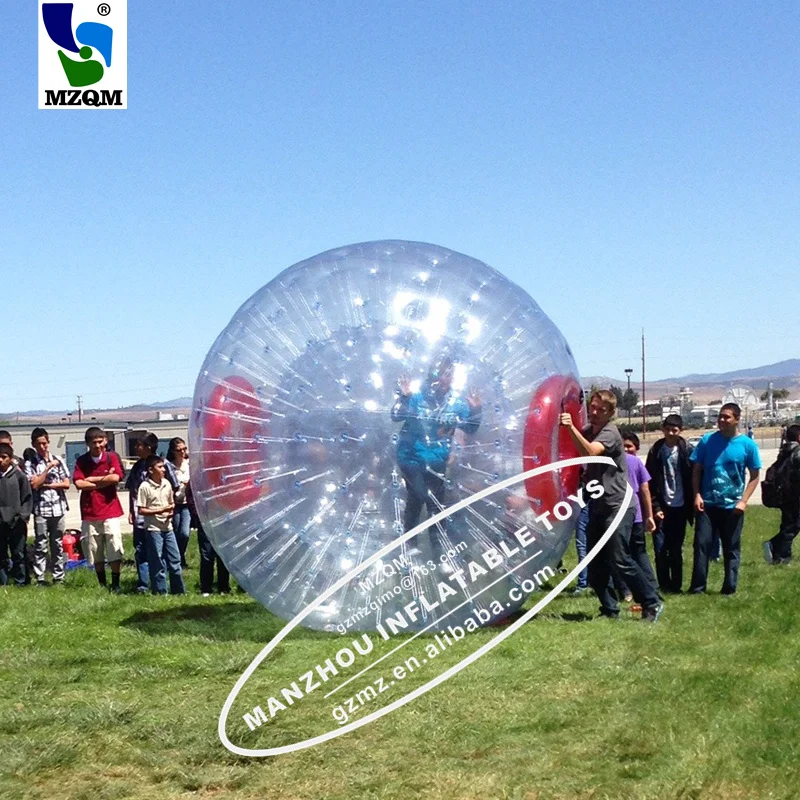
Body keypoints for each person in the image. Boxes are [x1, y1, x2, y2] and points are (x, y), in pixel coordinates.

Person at [560, 390, 663, 622]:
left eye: (600, 410)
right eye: (592, 407)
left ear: (611, 413)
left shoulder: (610, 433)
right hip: (598, 505)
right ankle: (609, 608)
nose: (594, 413)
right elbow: (570, 447)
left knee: (620, 559)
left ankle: (651, 602)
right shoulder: (589, 431)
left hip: (619, 505)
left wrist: (570, 428)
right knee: (595, 564)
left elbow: (589, 451)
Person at [391, 356, 481, 539]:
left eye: (449, 375)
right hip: (411, 458)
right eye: (441, 374)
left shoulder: (455, 403)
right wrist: (405, 396)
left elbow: (470, 428)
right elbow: (395, 415)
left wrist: (476, 410)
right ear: (432, 376)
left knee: (432, 505)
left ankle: (436, 549)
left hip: (438, 460)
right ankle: (410, 545)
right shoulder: (416, 396)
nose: (444, 379)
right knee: (420, 495)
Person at [688, 403, 761, 595]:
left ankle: (729, 588)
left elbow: (754, 476)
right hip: (707, 505)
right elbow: (696, 470)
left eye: (726, 417)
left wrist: (743, 501)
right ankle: (697, 588)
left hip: (732, 507)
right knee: (702, 545)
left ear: (737, 419)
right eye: (720, 416)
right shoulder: (707, 441)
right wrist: (697, 494)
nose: (721, 420)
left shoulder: (747, 445)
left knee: (731, 548)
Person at [644, 414, 695, 593]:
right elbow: (649, 481)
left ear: (681, 430)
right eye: (668, 429)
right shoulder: (656, 450)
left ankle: (676, 585)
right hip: (662, 506)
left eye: (675, 430)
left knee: (675, 548)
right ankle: (663, 584)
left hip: (680, 506)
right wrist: (655, 506)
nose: (671, 433)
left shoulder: (687, 450)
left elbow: (694, 477)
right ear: (662, 429)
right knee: (659, 548)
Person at [72, 426, 126, 593]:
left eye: (100, 441)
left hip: (110, 510)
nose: (97, 445)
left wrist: (93, 479)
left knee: (114, 546)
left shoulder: (112, 458)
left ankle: (116, 583)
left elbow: (116, 477)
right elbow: (79, 483)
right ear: (87, 444)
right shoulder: (82, 461)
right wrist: (105, 480)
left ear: (105, 441)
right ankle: (103, 584)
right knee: (95, 549)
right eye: (94, 442)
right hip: (90, 512)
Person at [24, 427, 70, 586]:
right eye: (39, 444)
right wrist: (49, 468)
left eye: (45, 443)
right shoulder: (31, 463)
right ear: (34, 445)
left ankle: (59, 576)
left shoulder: (58, 459)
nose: (43, 447)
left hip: (58, 508)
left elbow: (66, 483)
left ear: (49, 442)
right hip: (41, 509)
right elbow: (34, 484)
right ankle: (40, 578)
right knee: (41, 544)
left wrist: (50, 485)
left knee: (57, 544)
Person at [137, 454, 184, 595]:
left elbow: (171, 503)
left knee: (175, 559)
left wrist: (170, 511)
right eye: (160, 467)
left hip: (168, 527)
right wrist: (161, 510)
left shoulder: (167, 484)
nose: (164, 469)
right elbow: (141, 509)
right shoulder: (145, 487)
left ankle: (179, 591)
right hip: (153, 529)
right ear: (151, 470)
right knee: (157, 560)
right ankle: (160, 591)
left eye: (163, 466)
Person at [622, 433, 659, 596]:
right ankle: (651, 586)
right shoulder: (635, 461)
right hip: (635, 513)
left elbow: (645, 489)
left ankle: (627, 589)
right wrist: (648, 515)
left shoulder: (610, 461)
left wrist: (649, 515)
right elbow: (645, 490)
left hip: (620, 515)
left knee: (622, 553)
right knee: (638, 552)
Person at [125, 432, 160, 593]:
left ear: (149, 447)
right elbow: (132, 490)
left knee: (158, 551)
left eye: (139, 445)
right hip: (140, 518)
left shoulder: (162, 465)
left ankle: (159, 583)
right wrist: (131, 511)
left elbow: (171, 487)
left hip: (158, 518)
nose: (136, 448)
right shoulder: (137, 467)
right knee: (141, 550)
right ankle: (143, 584)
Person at [765, 424, 800, 564]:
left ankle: (780, 554)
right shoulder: (797, 452)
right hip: (795, 495)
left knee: (789, 525)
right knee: (792, 526)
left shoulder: (785, 450)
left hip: (785, 494)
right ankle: (780, 552)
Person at [187, 481, 229, 596]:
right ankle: (206, 588)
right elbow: (191, 498)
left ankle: (224, 588)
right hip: (205, 521)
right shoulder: (198, 478)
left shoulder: (222, 476)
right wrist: (198, 516)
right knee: (207, 555)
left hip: (222, 520)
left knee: (222, 555)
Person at [0, 442, 32, 586]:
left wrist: (23, 516)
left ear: (11, 458)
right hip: (1, 522)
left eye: (4, 457)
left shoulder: (19, 476)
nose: (0, 460)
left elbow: (27, 498)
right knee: (1, 555)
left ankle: (20, 582)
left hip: (16, 522)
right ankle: (3, 582)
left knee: (18, 554)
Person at [166, 437, 191, 568]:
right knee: (176, 532)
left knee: (184, 533)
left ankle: (180, 554)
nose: (182, 452)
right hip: (174, 503)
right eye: (178, 450)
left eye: (184, 449)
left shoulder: (189, 464)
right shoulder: (169, 466)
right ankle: (176, 558)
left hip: (187, 502)